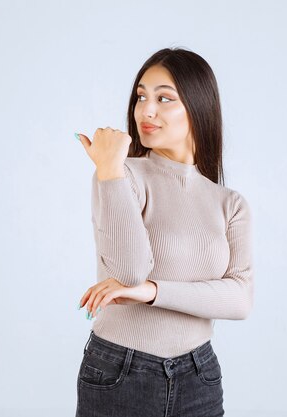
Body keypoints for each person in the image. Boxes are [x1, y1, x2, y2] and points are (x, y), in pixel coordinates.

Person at [73, 47, 253, 417]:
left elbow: (240, 299)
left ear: (198, 106)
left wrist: (152, 293)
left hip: (199, 375)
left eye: (164, 98)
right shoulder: (120, 176)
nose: (146, 110)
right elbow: (128, 272)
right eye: (141, 96)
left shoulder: (229, 203)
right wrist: (109, 167)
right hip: (119, 372)